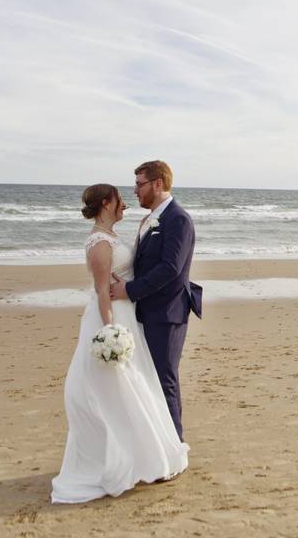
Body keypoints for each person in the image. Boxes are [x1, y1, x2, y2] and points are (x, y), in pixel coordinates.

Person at [51, 184, 189, 504]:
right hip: (113, 318)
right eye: (119, 200)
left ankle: (144, 451)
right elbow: (102, 291)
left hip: (129, 315)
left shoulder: (111, 236)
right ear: (105, 203)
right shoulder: (99, 243)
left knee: (138, 384)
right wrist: (110, 331)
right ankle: (123, 456)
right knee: (119, 387)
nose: (125, 204)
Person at [110, 160, 201, 442]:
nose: (135, 190)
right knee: (149, 380)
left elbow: (170, 268)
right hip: (147, 311)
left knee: (164, 381)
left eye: (140, 184)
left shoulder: (178, 219)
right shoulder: (151, 218)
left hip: (167, 313)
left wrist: (130, 290)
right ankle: (156, 446)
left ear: (158, 184)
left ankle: (175, 447)